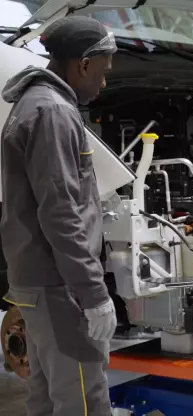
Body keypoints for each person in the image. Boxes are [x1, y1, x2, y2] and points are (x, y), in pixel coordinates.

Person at [0, 15, 118, 416]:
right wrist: (93, 293)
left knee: (48, 398)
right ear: (83, 64)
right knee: (84, 400)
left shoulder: (34, 103)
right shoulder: (52, 112)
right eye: (102, 72)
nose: (103, 84)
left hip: (37, 282)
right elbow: (62, 214)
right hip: (60, 287)